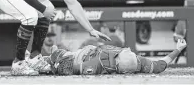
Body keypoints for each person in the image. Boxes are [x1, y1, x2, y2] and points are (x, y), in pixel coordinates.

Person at [47, 39, 187, 75]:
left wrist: (56, 59)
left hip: (78, 55)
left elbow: (65, 68)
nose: (128, 49)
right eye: (128, 51)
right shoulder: (137, 62)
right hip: (88, 51)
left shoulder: (96, 64)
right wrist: (178, 49)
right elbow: (161, 65)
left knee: (56, 57)